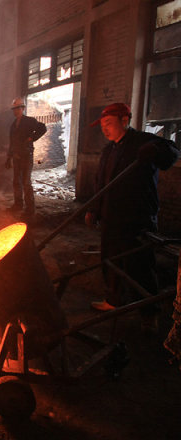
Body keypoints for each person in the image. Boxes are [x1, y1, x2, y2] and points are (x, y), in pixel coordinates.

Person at [84, 102, 178, 332]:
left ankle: (149, 314)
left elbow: (173, 151)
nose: (104, 129)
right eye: (102, 125)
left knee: (140, 265)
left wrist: (156, 151)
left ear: (124, 120)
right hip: (111, 217)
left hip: (137, 219)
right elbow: (100, 183)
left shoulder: (144, 142)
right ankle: (114, 300)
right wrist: (94, 209)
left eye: (108, 123)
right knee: (111, 261)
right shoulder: (109, 150)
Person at [4, 97, 47, 218]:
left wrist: (32, 138)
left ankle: (30, 209)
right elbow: (12, 143)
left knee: (26, 182)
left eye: (18, 108)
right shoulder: (13, 125)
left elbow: (43, 128)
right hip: (16, 156)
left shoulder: (29, 121)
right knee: (16, 182)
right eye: (14, 109)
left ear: (22, 108)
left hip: (26, 156)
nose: (15, 111)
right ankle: (18, 204)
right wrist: (8, 158)